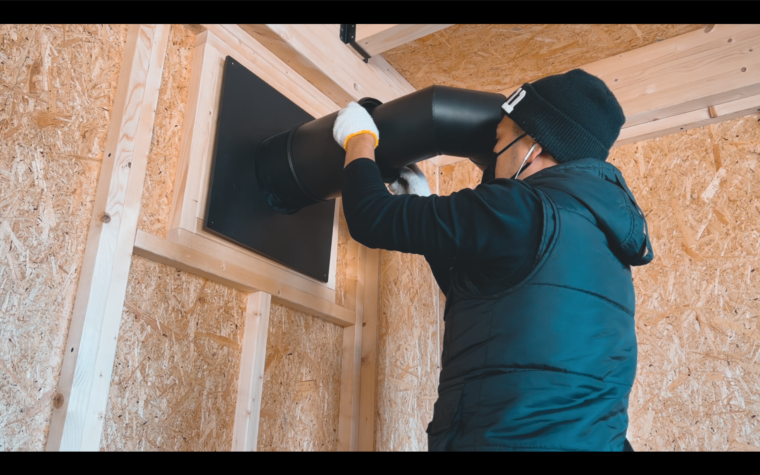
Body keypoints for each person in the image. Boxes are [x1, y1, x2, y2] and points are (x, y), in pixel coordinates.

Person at [334, 69, 653, 451]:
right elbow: (489, 293)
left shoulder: (521, 207)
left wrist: (358, 137)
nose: (495, 159)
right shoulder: (608, 241)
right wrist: (420, 200)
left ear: (533, 147)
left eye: (500, 141)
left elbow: (371, 217)